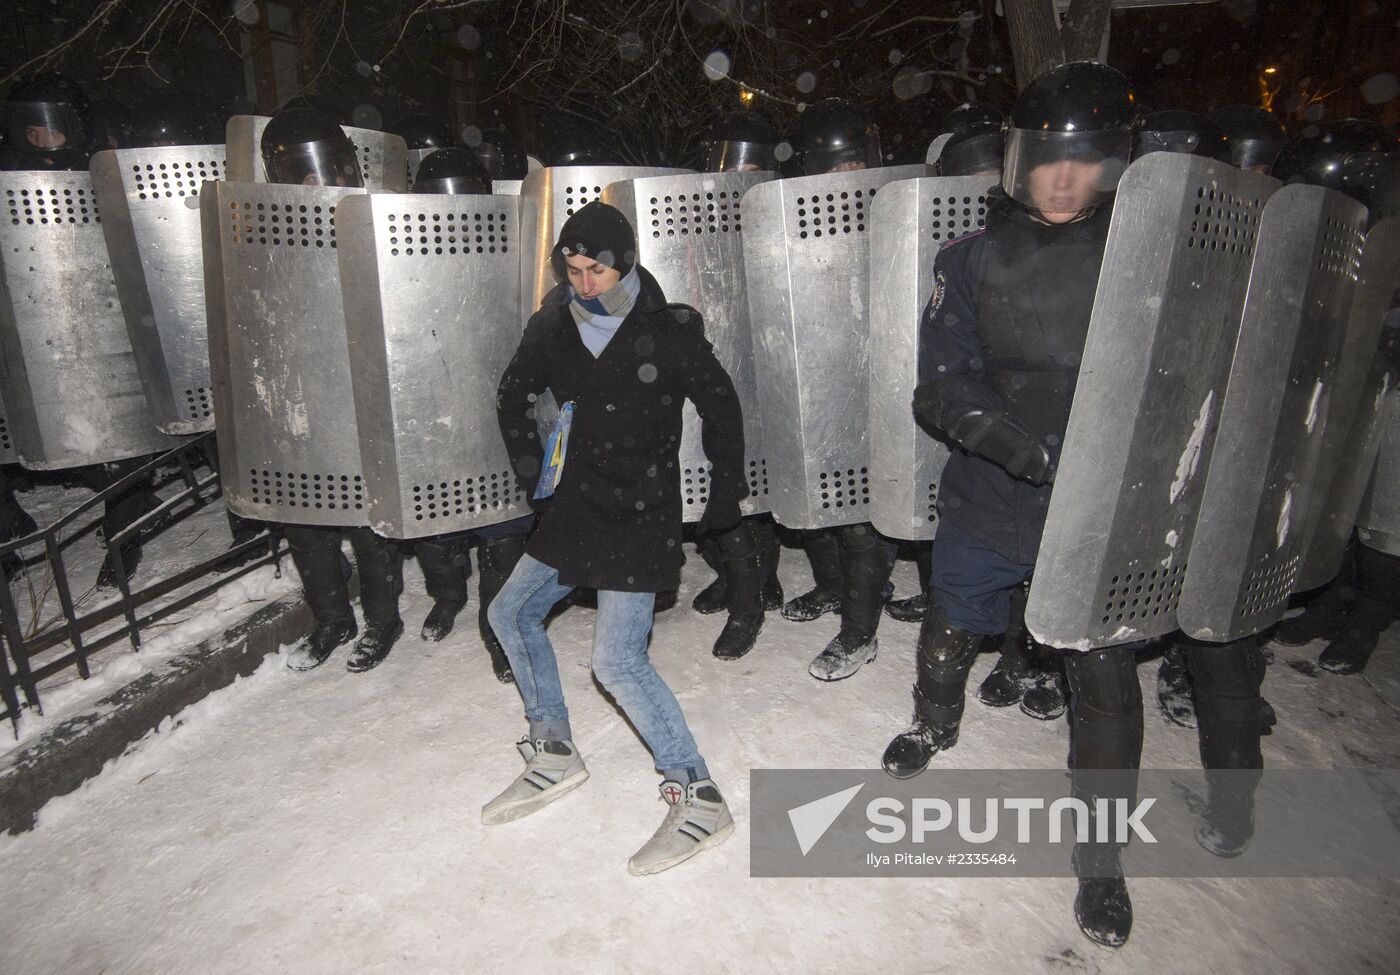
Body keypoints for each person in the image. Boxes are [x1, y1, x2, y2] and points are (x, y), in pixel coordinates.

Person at [882, 62, 1271, 949]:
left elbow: (1194, 379)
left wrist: (1129, 460)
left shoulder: (1155, 261)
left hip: (1104, 506)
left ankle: (1101, 861)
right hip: (993, 485)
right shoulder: (970, 259)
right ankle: (932, 723)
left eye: (1083, 158)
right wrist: (1018, 445)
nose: (1062, 177)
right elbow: (940, 385)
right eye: (1046, 158)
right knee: (951, 621)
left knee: (1102, 674)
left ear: (1114, 164)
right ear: (1019, 161)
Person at [485, 200, 745, 875]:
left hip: (639, 508)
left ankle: (698, 792)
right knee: (509, 611)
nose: (582, 283)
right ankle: (553, 749)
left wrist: (725, 491)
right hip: (575, 502)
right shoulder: (554, 320)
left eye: (594, 269)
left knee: (618, 662)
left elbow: (722, 406)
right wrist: (530, 475)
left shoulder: (670, 329)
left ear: (624, 263)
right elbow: (511, 394)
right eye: (571, 269)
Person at [257, 107, 407, 672]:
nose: (323, 186)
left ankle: (382, 621)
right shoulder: (264, 230)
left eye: (333, 170)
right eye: (307, 175)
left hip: (360, 394)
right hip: (301, 400)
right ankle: (331, 620)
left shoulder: (373, 221)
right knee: (305, 524)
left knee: (369, 524)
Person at [1, 72, 164, 589]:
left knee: (122, 446)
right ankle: (11, 534)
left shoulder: (102, 175)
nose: (46, 142)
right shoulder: (6, 181)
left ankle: (127, 532)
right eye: (33, 132)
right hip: (34, 332)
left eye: (55, 129)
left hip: (108, 322)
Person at [776, 98, 901, 682]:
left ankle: (859, 632)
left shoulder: (899, 212)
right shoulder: (795, 224)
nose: (849, 179)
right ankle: (833, 588)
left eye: (856, 163)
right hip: (821, 380)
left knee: (862, 520)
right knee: (815, 506)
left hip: (884, 384)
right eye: (835, 168)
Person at [403, 147, 531, 682]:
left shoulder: (515, 245)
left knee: (502, 531)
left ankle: (500, 632)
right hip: (432, 411)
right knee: (436, 531)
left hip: (497, 411)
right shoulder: (402, 253)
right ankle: (447, 596)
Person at [687, 110, 785, 660]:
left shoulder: (779, 214)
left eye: (754, 165)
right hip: (717, 362)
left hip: (767, 363)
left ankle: (756, 590)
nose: (742, 176)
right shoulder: (697, 211)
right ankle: (739, 578)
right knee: (717, 485)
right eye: (734, 163)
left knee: (759, 485)